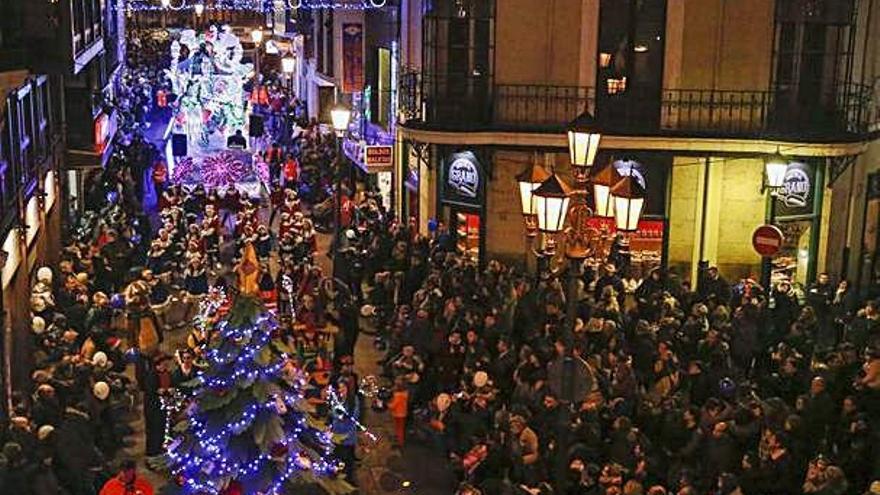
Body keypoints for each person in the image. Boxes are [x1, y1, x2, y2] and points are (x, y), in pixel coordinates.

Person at [388, 377, 410, 448]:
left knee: (399, 428)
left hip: (398, 414)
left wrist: (387, 404)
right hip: (403, 413)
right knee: (400, 428)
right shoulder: (405, 394)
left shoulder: (398, 396)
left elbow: (393, 406)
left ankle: (399, 442)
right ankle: (399, 439)